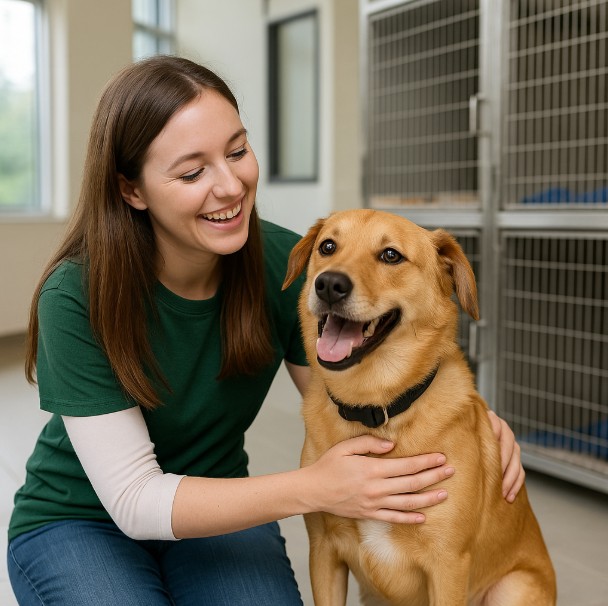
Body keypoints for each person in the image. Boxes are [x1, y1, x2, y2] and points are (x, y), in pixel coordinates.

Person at [6, 55, 524, 606]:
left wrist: (474, 427)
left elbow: (353, 398)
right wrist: (312, 489)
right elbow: (135, 499)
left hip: (223, 504)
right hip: (81, 519)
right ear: (132, 191)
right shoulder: (76, 294)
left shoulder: (286, 263)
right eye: (191, 172)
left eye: (237, 151)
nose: (231, 186)